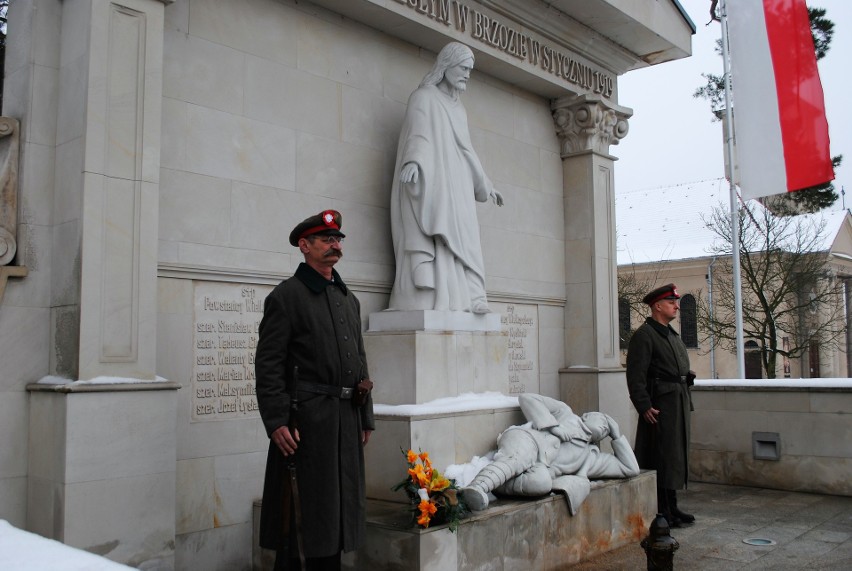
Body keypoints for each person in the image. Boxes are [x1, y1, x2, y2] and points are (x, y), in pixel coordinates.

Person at [255, 209, 375, 571]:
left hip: (345, 421)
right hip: (305, 425)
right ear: (304, 246)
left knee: (337, 519)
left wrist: (365, 415)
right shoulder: (287, 296)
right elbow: (268, 364)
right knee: (302, 522)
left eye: (337, 239)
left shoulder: (347, 298)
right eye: (326, 239)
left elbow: (360, 359)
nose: (335, 245)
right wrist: (277, 420)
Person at [388, 41, 504, 315]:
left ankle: (473, 296)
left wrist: (487, 185)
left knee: (468, 240)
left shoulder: (459, 108)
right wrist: (414, 161)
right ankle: (443, 296)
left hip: (460, 184)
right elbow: (418, 134)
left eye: (470, 70)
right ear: (447, 65)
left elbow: (467, 149)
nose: (466, 74)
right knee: (441, 234)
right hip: (436, 180)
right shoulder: (424, 97)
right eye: (463, 68)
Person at [461, 393, 639, 515]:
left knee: (542, 483)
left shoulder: (591, 457)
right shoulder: (564, 413)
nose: (605, 427)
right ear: (586, 415)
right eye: (603, 420)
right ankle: (478, 486)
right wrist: (553, 426)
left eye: (607, 429)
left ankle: (495, 486)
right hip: (527, 440)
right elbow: (527, 398)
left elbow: (630, 468)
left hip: (540, 468)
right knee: (520, 458)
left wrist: (617, 435)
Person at [625, 283, 695, 527]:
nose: (676, 306)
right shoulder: (645, 335)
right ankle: (662, 510)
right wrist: (643, 405)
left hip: (677, 401)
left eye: (675, 302)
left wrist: (686, 377)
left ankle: (672, 506)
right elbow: (635, 375)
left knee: (675, 456)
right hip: (660, 405)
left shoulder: (670, 334)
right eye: (671, 302)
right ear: (657, 306)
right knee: (662, 456)